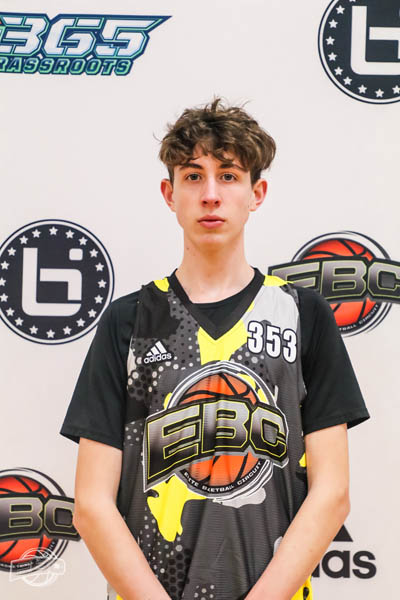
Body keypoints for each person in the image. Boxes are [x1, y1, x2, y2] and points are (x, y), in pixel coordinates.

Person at [60, 98, 369, 600]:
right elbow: (92, 504)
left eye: (228, 176)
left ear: (256, 193)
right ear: (170, 193)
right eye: (192, 176)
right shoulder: (128, 321)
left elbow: (332, 493)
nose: (210, 195)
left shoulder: (303, 315)